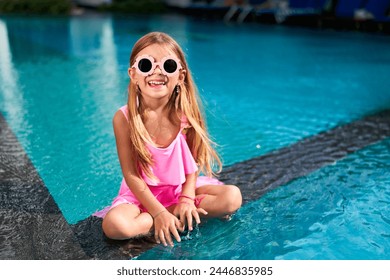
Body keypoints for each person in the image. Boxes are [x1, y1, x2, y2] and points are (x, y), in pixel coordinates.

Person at [100, 32, 242, 247]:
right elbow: (131, 176)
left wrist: (186, 198)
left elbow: (192, 167)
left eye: (168, 65)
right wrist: (158, 212)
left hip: (179, 191)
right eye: (147, 64)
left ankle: (176, 212)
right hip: (140, 197)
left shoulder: (186, 117)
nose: (157, 71)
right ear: (133, 74)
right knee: (116, 226)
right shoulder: (124, 118)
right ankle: (170, 216)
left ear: (180, 76)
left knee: (232, 197)